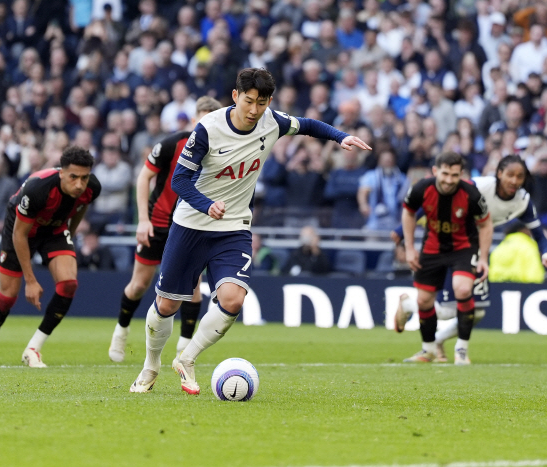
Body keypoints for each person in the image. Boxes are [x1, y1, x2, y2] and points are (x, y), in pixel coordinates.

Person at [129, 68, 371, 394]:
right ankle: (150, 364)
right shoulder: (207, 130)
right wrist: (206, 205)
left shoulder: (273, 121)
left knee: (232, 299)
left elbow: (309, 125)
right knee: (167, 305)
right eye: (248, 101)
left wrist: (340, 136)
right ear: (235, 96)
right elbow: (179, 181)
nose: (254, 110)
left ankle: (187, 358)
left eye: (261, 102)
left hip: (234, 226)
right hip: (191, 224)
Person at [108, 96, 222, 363]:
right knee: (138, 285)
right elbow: (144, 177)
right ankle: (121, 331)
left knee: (193, 288)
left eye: (211, 119)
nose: (205, 124)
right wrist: (143, 220)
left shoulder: (221, 149)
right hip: (158, 224)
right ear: (194, 119)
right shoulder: (172, 144)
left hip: (192, 226)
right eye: (201, 118)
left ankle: (183, 348)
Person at [0, 146, 101, 368]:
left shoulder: (92, 188)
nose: (79, 184)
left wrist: (71, 229)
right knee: (7, 296)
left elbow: (81, 206)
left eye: (84, 177)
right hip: (21, 229)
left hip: (54, 229)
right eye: (73, 177)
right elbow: (20, 235)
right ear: (61, 172)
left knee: (68, 285)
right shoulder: (37, 189)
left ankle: (33, 348)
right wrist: (30, 280)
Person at [398, 152, 493, 365]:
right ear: (435, 171)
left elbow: (486, 224)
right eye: (445, 174)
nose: (449, 180)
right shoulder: (421, 188)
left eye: (455, 175)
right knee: (424, 300)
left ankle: (461, 349)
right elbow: (408, 213)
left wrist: (483, 258)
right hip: (432, 247)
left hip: (464, 248)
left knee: (462, 289)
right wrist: (410, 248)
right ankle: (429, 350)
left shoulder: (471, 194)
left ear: (461, 174)